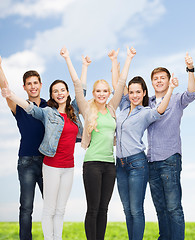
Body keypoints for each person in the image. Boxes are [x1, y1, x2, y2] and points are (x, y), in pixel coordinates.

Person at [60, 46, 136, 240]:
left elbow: (121, 84)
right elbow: (77, 85)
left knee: (104, 209)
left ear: (108, 93)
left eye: (105, 91)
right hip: (92, 164)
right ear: (93, 93)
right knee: (93, 209)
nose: (102, 94)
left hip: (110, 165)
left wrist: (126, 58)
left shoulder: (111, 108)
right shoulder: (87, 109)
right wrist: (71, 59)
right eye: (98, 91)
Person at [111, 50, 178, 239]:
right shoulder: (123, 107)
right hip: (120, 165)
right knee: (126, 210)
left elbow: (161, 110)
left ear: (144, 93)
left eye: (137, 92)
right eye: (131, 92)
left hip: (137, 164)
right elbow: (119, 85)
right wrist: (117, 60)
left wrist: (171, 89)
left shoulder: (146, 112)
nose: (133, 95)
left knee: (136, 210)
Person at [0, 49, 47, 240]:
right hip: (27, 162)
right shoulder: (19, 105)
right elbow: (6, 91)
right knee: (26, 207)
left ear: (40, 85)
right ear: (24, 87)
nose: (32, 86)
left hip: (49, 162)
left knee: (52, 206)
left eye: (35, 83)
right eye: (29, 84)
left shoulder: (49, 106)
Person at [147, 52, 195, 240]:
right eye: (155, 79)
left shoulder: (176, 99)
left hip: (170, 159)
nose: (159, 81)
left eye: (162, 78)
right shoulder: (148, 103)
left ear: (169, 81)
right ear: (151, 82)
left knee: (173, 207)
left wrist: (190, 69)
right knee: (160, 208)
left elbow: (192, 93)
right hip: (151, 161)